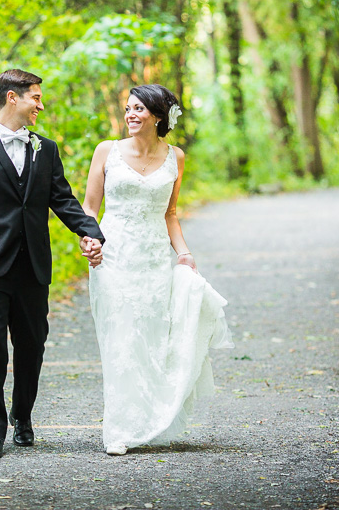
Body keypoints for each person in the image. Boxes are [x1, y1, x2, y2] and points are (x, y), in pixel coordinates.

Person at [0, 69, 105, 459]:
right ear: (12, 98)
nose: (40, 105)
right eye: (35, 97)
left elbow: (62, 199)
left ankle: (22, 415)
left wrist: (92, 232)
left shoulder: (45, 149)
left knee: (31, 347)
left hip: (32, 266)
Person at [82, 84, 234, 455]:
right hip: (113, 256)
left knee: (150, 338)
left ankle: (148, 418)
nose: (130, 115)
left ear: (158, 116)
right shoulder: (107, 151)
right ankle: (118, 429)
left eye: (139, 109)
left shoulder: (176, 158)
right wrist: (90, 239)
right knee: (120, 336)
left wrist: (185, 254)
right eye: (128, 109)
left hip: (153, 261)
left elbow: (170, 214)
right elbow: (88, 207)